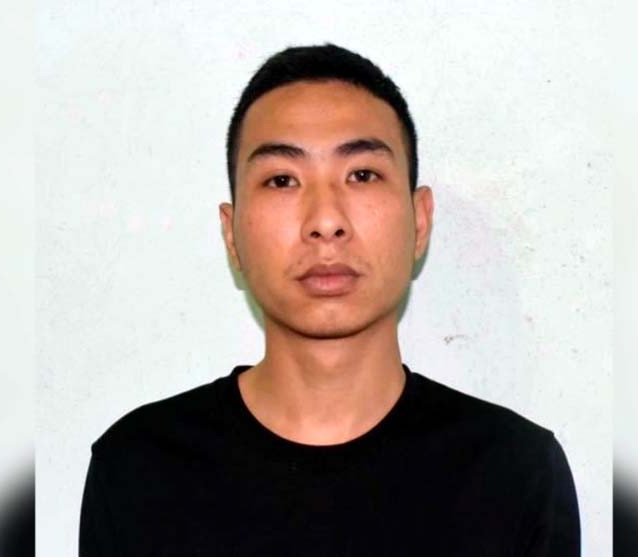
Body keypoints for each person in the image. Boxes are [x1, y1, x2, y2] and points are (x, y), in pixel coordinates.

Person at [79, 43, 580, 556]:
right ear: (231, 234)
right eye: (282, 180)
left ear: (420, 221)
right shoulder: (140, 469)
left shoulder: (515, 474)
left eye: (362, 175)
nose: (325, 221)